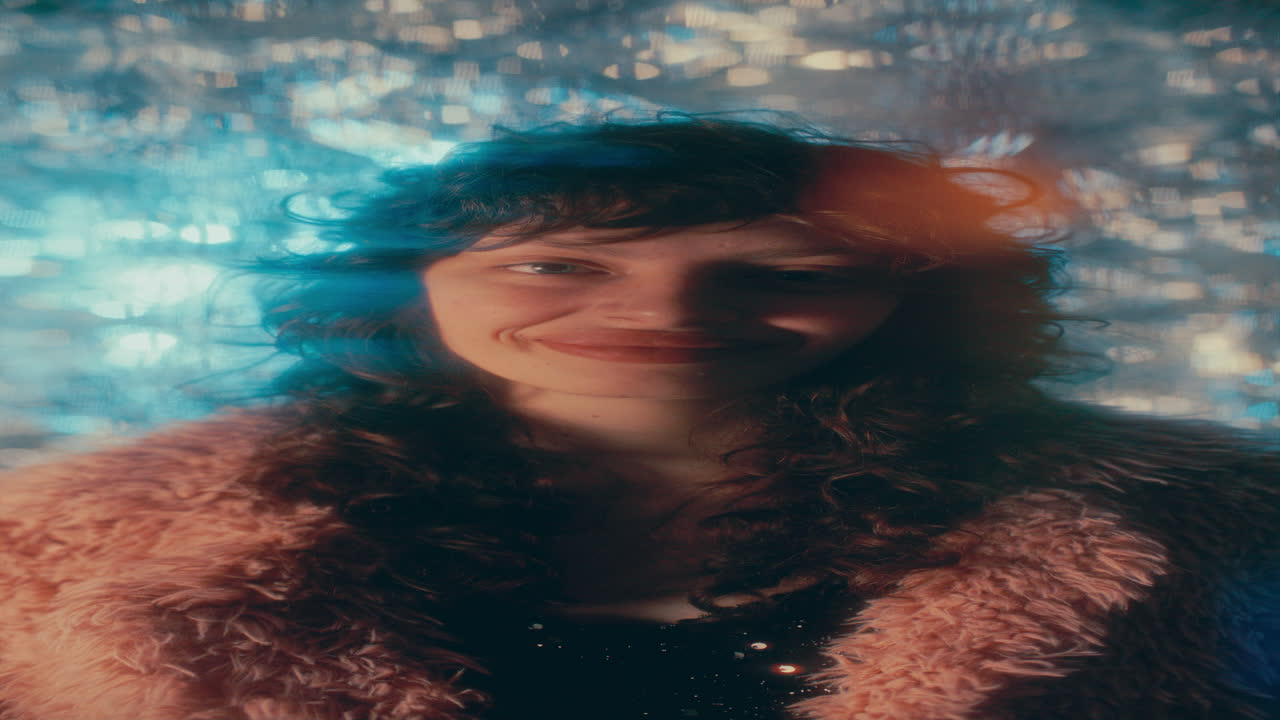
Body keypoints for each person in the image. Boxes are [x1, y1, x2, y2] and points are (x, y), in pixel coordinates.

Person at [0, 113, 1276, 720]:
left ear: (905, 297)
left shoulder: (1218, 527)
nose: (664, 310)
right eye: (553, 265)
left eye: (782, 271)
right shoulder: (54, 547)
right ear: (411, 289)